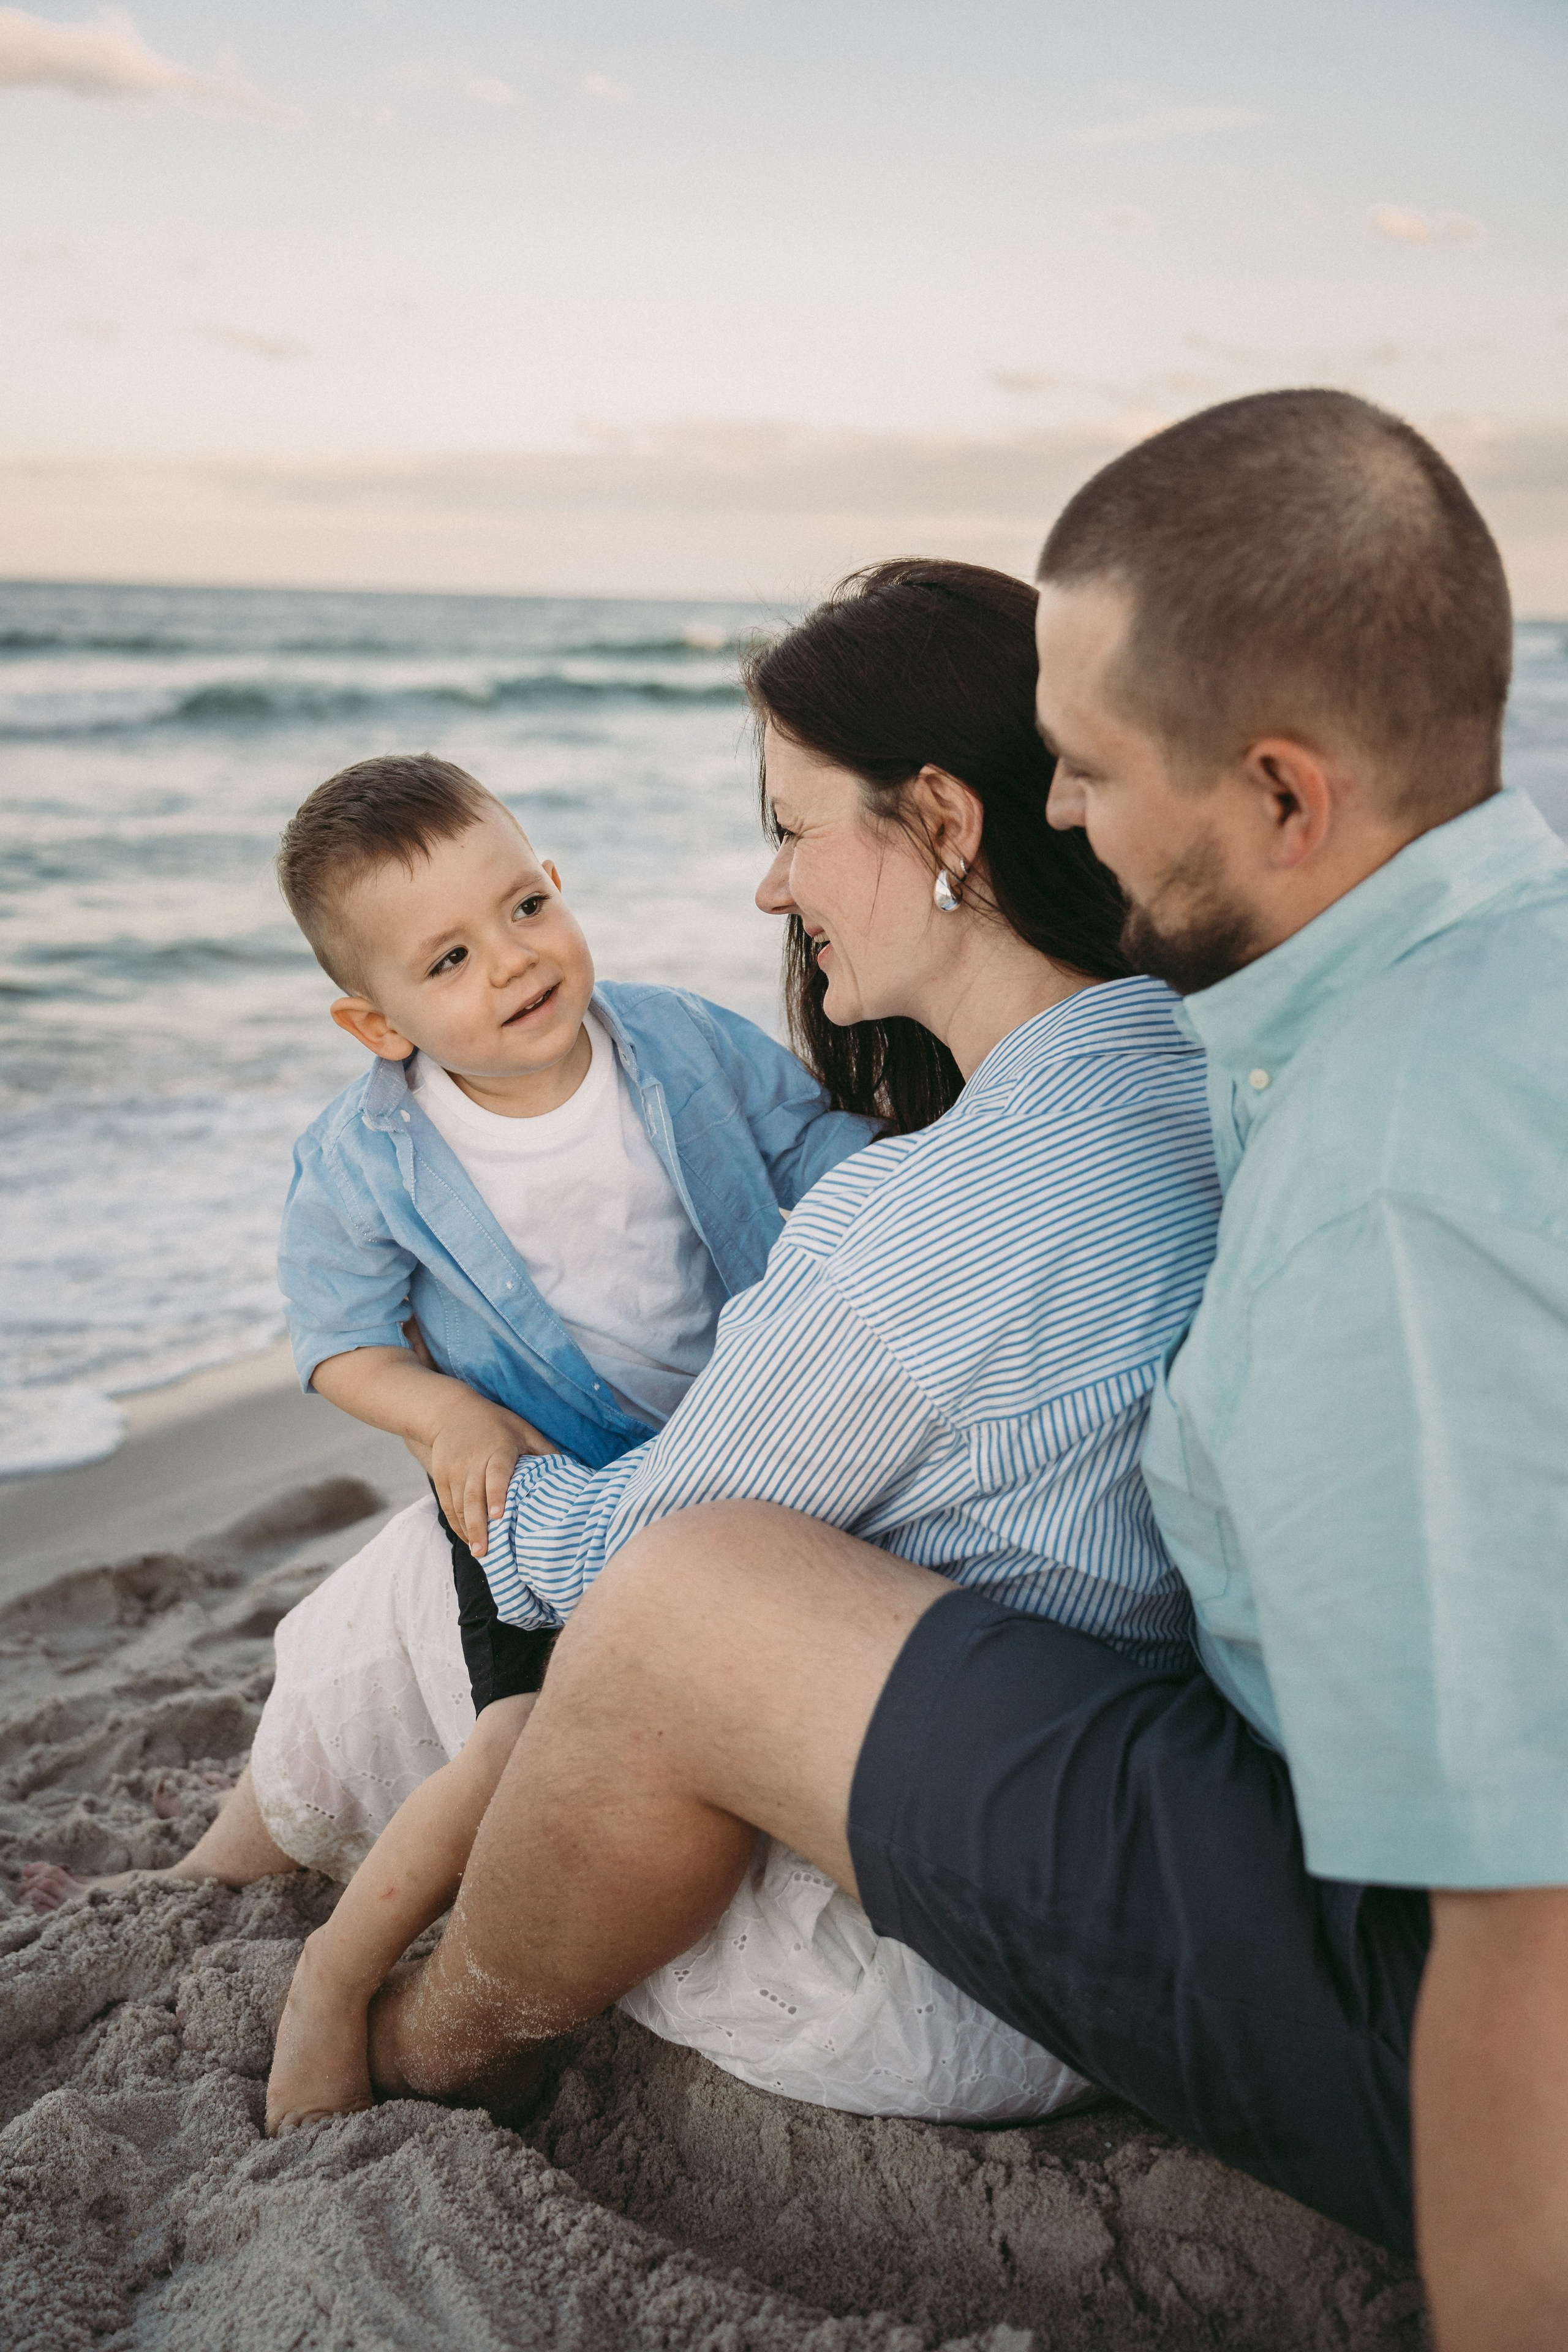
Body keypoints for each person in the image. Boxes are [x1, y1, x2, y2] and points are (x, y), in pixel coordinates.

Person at [356, 396, 1568, 2352]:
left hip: (1409, 1981)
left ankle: (416, 2040)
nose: (1053, 814)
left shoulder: (1381, 1194)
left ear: (1281, 791)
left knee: (686, 1600)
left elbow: (1528, 1916)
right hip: (1273, 1781)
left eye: (1085, 768)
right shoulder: (1444, 1003)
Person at [30, 562, 1223, 2147]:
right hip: (1116, 1819)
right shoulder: (1200, 1059)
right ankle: (245, 1856)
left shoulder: (915, 1228)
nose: (772, 893)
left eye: (793, 831)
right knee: (478, 1563)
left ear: (942, 823)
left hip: (931, 1969)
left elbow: (624, 1573)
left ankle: (362, 1989)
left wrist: (492, 1491)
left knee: (453, 1570)